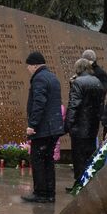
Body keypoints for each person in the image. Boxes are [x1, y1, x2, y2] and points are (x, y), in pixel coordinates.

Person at [22, 51, 64, 203]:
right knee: (48, 160)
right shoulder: (53, 77)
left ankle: (40, 192)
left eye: (28, 66)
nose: (28, 69)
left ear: (34, 65)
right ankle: (49, 193)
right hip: (54, 127)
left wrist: (32, 124)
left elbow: (39, 103)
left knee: (38, 160)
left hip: (43, 128)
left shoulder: (39, 79)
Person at [64, 58, 105, 184]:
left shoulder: (78, 82)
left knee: (78, 157)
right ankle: (88, 183)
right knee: (89, 156)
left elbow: (74, 105)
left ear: (78, 68)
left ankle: (79, 184)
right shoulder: (97, 82)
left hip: (80, 126)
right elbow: (99, 104)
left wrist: (68, 125)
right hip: (92, 126)